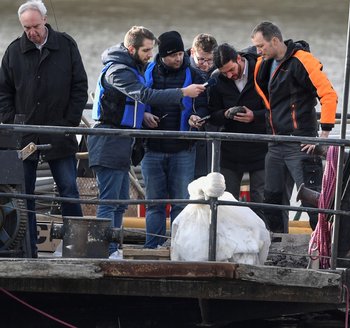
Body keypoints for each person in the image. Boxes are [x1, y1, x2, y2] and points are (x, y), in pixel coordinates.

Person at [88, 26, 205, 255]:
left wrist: (144, 115)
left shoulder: (132, 68)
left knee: (120, 202)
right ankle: (107, 250)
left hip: (122, 142)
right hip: (109, 140)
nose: (150, 55)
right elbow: (144, 95)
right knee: (109, 202)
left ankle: (115, 248)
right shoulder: (119, 71)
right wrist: (183, 92)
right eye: (146, 50)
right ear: (131, 49)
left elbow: (135, 103)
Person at [0, 0, 88, 257]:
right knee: (23, 194)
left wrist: (69, 123)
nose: (31, 32)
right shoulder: (14, 51)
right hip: (24, 136)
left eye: (35, 26)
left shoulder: (66, 45)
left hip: (59, 133)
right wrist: (12, 121)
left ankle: (77, 249)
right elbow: (3, 91)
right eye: (26, 27)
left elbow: (79, 86)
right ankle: (29, 251)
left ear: (45, 19)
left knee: (69, 190)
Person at [251, 22, 338, 232]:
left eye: (260, 46)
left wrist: (322, 136)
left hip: (301, 144)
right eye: (255, 47)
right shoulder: (262, 62)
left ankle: (322, 247)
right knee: (271, 199)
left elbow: (329, 95)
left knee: (313, 199)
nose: (257, 51)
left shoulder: (303, 60)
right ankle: (279, 245)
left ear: (275, 40)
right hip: (275, 142)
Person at [142, 31, 208, 248]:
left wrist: (196, 117)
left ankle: (181, 247)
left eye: (180, 53)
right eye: (172, 55)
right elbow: (136, 99)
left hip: (183, 148)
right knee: (154, 205)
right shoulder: (146, 72)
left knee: (182, 204)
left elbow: (204, 104)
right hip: (151, 148)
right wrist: (143, 116)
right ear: (161, 55)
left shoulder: (195, 74)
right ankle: (153, 247)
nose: (178, 58)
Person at [208, 43, 268, 211]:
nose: (229, 75)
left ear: (239, 58)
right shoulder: (217, 79)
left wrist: (254, 116)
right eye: (224, 72)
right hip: (230, 150)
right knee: (227, 202)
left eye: (231, 69)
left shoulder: (262, 70)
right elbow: (213, 115)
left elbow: (276, 110)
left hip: (261, 147)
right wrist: (225, 114)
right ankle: (227, 237)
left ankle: (264, 236)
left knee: (262, 200)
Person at [186, 33, 218, 179]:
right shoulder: (183, 70)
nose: (205, 64)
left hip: (214, 133)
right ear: (192, 52)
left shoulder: (221, 71)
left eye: (210, 60)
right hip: (189, 135)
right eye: (201, 59)